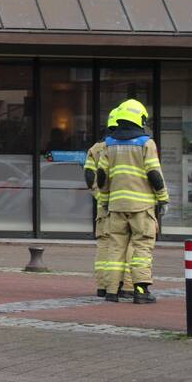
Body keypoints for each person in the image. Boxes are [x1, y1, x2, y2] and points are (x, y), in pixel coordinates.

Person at [97, 99, 170, 304]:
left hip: (116, 206)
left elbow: (102, 177)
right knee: (142, 248)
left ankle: (112, 291)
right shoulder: (146, 143)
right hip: (141, 207)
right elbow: (154, 174)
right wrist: (163, 199)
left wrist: (104, 201)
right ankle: (140, 291)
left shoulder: (109, 144)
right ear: (140, 119)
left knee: (115, 248)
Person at [83, 109, 132, 299]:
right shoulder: (129, 146)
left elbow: (89, 176)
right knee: (127, 244)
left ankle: (104, 285)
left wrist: (100, 196)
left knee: (104, 244)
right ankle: (125, 285)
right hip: (125, 204)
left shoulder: (96, 148)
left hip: (104, 206)